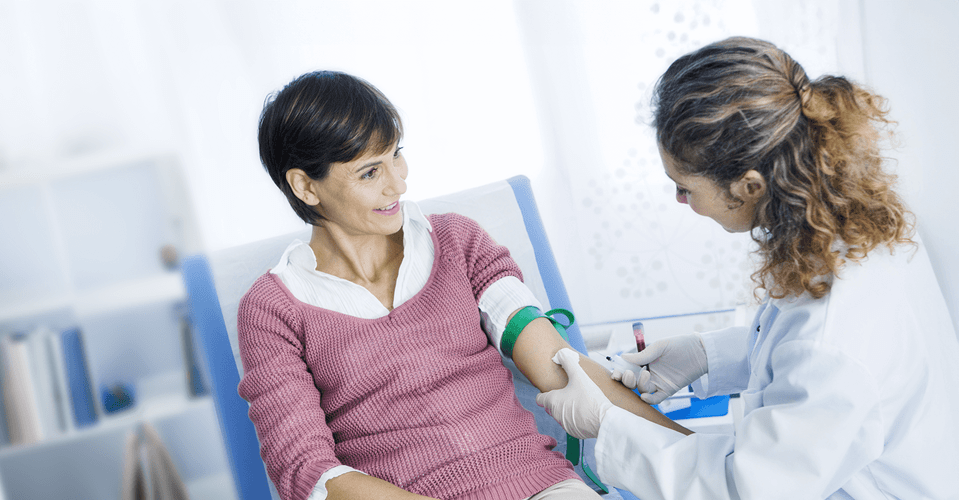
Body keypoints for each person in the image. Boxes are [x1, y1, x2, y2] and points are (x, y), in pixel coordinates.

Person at [536, 37, 959, 499]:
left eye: (684, 188)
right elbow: (802, 354)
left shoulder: (831, 342)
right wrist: (706, 355)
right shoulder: (858, 220)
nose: (680, 202)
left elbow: (746, 489)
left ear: (750, 186)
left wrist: (607, 426)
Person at [237, 70, 689, 500]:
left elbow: (559, 364)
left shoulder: (457, 242)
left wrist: (702, 458)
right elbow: (308, 475)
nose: (399, 182)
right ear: (305, 187)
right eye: (370, 172)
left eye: (396, 153)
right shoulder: (272, 310)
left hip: (539, 486)